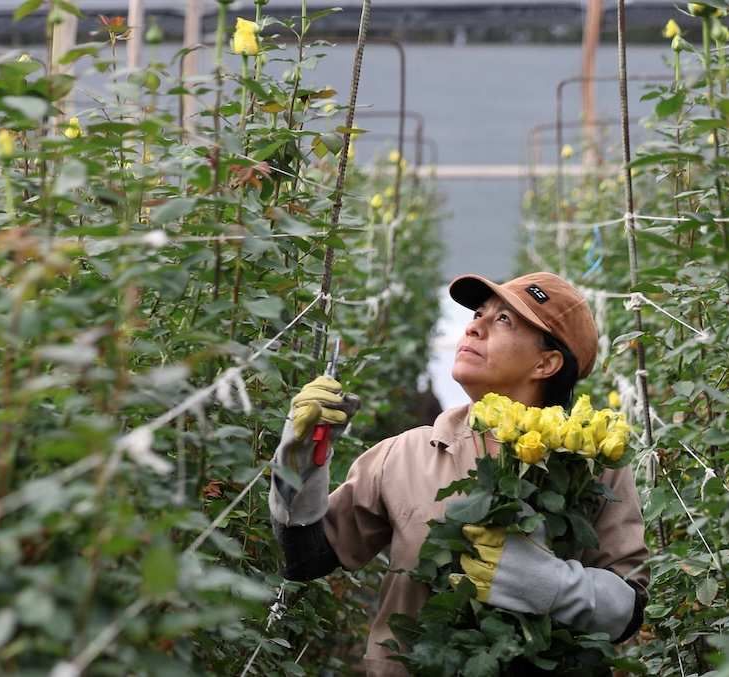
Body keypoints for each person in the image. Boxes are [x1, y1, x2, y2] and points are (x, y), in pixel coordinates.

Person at [269, 272, 650, 676]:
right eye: (478, 314)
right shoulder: (406, 454)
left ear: (546, 362)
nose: (473, 326)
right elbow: (306, 559)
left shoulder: (590, 465)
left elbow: (628, 613)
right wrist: (300, 460)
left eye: (503, 320)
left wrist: (550, 585)